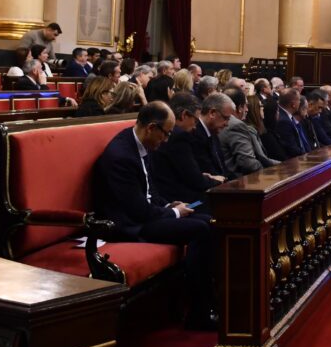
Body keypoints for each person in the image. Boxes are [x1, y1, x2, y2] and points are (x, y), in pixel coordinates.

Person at [91, 102, 215, 329]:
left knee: (210, 221)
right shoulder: (121, 157)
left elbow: (150, 191)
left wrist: (169, 204)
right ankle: (199, 313)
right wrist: (174, 212)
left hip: (145, 216)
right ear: (151, 128)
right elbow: (138, 211)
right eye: (165, 134)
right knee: (201, 229)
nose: (166, 140)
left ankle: (206, 303)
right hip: (128, 226)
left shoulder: (140, 143)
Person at [152, 93, 224, 206]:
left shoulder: (166, 132)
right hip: (180, 200)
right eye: (195, 120)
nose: (195, 126)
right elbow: (195, 180)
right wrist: (218, 180)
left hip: (165, 194)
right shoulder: (179, 136)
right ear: (184, 115)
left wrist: (204, 176)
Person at [219, 88, 280, 177]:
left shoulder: (228, 123)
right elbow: (248, 162)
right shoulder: (236, 125)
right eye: (246, 105)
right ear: (239, 108)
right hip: (237, 182)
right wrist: (267, 174)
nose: (247, 109)